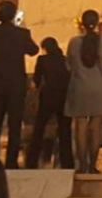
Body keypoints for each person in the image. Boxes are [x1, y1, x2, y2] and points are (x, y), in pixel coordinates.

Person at [0, 1, 39, 170]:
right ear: (14, 15)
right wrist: (21, 28)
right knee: (14, 125)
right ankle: (11, 161)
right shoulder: (21, 34)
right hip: (15, 84)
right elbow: (34, 50)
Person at [65, 10, 102, 174]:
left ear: (82, 24)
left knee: (80, 125)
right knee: (95, 126)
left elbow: (69, 65)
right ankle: (93, 164)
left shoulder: (74, 42)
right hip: (99, 87)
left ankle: (82, 165)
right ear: (98, 23)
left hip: (79, 86)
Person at [25, 38, 72, 169]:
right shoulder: (65, 60)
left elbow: (37, 80)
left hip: (48, 97)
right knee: (64, 131)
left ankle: (32, 160)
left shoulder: (42, 60)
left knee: (39, 129)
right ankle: (67, 162)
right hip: (63, 96)